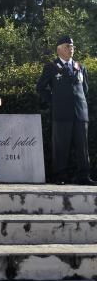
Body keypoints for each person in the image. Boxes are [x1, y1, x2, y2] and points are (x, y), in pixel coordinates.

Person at [36, 35, 94, 185]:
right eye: (68, 46)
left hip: (80, 113)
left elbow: (85, 88)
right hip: (61, 114)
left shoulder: (80, 67)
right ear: (59, 49)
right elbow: (40, 88)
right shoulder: (51, 67)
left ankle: (84, 176)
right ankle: (60, 176)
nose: (71, 49)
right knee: (61, 146)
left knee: (83, 147)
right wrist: (54, 102)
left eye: (72, 46)